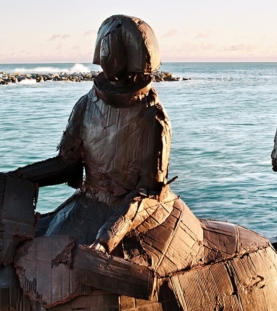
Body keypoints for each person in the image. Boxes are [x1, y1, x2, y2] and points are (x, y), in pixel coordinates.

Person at [11, 15, 172, 250]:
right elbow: (68, 163)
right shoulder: (87, 104)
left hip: (126, 214)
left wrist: (110, 234)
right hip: (87, 204)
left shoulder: (152, 118)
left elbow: (149, 192)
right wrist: (19, 178)